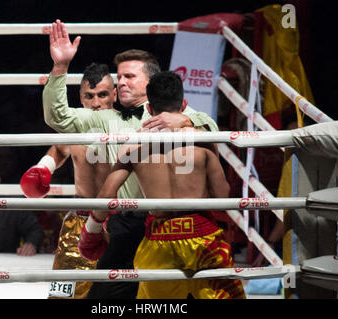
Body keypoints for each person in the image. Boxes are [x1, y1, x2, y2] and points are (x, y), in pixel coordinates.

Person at [42, 19, 220, 299]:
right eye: (120, 77)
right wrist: (60, 67)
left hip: (168, 223)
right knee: (106, 298)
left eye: (130, 77)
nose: (121, 82)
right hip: (123, 222)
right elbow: (57, 117)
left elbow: (213, 129)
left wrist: (184, 119)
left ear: (151, 82)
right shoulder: (103, 118)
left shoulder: (172, 115)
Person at [79, 71, 244, 299]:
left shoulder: (134, 147)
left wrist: (91, 233)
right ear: (184, 105)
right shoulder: (202, 141)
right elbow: (224, 196)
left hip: (158, 238)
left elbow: (107, 195)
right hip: (203, 237)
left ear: (148, 109)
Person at [20, 62, 116, 298]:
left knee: (119, 294)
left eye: (103, 95)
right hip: (80, 220)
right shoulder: (74, 127)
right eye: (89, 96)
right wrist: (43, 167)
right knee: (63, 294)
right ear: (80, 97)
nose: (96, 103)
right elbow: (60, 150)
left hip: (117, 221)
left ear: (114, 94)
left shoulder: (127, 125)